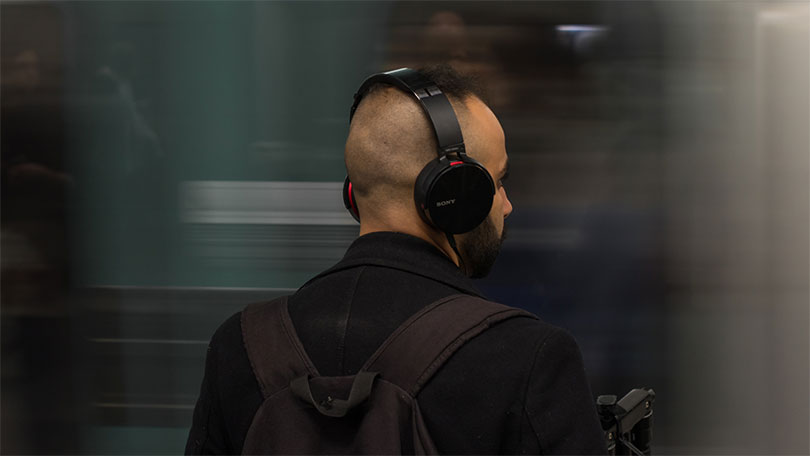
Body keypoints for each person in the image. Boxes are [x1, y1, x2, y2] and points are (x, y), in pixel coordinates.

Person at [185, 65, 607, 454]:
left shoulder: (240, 347)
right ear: (455, 195)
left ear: (353, 194)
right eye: (497, 182)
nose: (508, 205)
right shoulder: (528, 358)